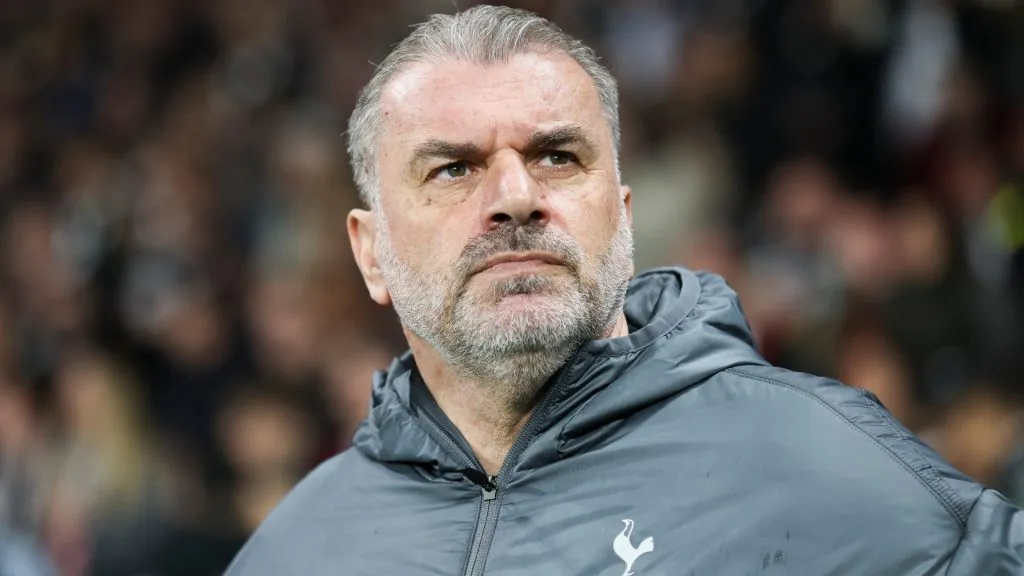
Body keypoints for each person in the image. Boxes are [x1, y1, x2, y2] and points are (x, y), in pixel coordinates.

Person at [226, 5, 1024, 575]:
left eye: (558, 157)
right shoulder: (294, 550)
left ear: (624, 218)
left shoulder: (818, 465)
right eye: (454, 167)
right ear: (370, 254)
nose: (514, 194)